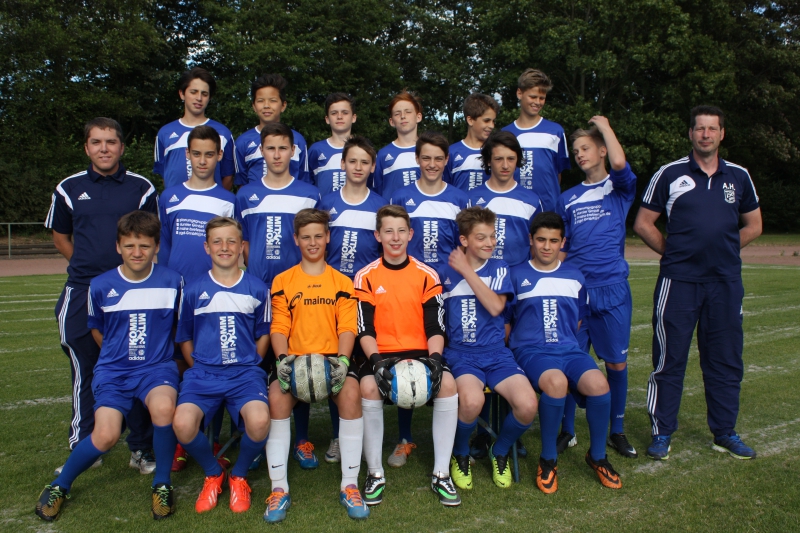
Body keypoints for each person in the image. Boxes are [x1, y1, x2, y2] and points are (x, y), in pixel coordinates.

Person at [633, 105, 762, 461]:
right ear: (690, 133)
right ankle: (662, 432)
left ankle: (725, 432)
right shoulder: (669, 173)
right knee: (669, 360)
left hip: (724, 283)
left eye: (712, 128)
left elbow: (754, 225)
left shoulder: (738, 176)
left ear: (722, 134)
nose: (706, 134)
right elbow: (643, 223)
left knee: (725, 359)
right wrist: (673, 252)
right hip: (679, 282)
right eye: (700, 128)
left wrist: (725, 249)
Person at [36, 211, 183, 522]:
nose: (137, 253)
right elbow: (97, 330)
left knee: (163, 410)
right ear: (118, 247)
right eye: (129, 246)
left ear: (156, 246)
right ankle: (60, 485)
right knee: (105, 435)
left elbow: (176, 327)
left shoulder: (173, 281)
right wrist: (121, 357)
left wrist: (154, 356)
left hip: (157, 368)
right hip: (114, 371)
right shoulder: (101, 285)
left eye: (145, 246)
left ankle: (162, 484)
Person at [45, 117, 159, 476]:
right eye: (96, 142)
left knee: (137, 366)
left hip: (131, 292)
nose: (104, 148)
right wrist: (91, 274)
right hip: (82, 290)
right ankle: (85, 444)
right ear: (86, 147)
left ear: (122, 147)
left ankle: (140, 447)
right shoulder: (69, 187)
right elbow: (61, 237)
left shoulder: (141, 188)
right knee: (86, 366)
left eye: (111, 142)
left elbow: (151, 239)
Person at [264, 208, 369, 523]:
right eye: (306, 237)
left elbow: (347, 327)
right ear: (296, 239)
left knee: (351, 394)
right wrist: (282, 360)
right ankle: (278, 488)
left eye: (318, 236)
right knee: (276, 398)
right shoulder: (283, 280)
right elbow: (279, 327)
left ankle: (349, 484)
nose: (313, 242)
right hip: (294, 360)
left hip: (332, 359)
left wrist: (344, 361)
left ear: (328, 237)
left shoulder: (342, 281)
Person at [354, 204, 461, 507]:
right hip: (381, 353)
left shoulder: (426, 274)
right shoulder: (365, 276)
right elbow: (364, 329)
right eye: (388, 231)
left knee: (449, 385)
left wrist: (436, 359)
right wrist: (376, 363)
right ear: (378, 235)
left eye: (401, 230)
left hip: (421, 352)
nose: (395, 237)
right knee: (368, 387)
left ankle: (441, 473)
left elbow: (435, 326)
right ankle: (375, 473)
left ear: (411, 234)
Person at [509, 212, 622, 493]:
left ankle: (597, 456)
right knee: (556, 382)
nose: (547, 246)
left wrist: (562, 342)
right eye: (541, 240)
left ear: (563, 242)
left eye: (553, 240)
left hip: (569, 349)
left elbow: (578, 320)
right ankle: (548, 458)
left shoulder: (575, 276)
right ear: (530, 240)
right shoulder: (516, 275)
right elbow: (507, 322)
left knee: (599, 384)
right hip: (531, 351)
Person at [235, 122, 321, 469]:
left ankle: (302, 439)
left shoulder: (309, 193)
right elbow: (243, 242)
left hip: (297, 293)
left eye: (283, 148)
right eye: (270, 148)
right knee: (256, 365)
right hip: (258, 293)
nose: (276, 154)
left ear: (293, 152)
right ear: (261, 152)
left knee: (298, 364)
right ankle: (255, 438)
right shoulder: (246, 194)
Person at [172, 217, 271, 514]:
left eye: (231, 241)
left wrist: (252, 362)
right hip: (203, 374)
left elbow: (263, 333)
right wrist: (199, 366)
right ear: (207, 247)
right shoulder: (193, 290)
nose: (224, 247)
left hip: (244, 373)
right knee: (182, 424)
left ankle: (238, 475)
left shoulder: (257, 288)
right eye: (217, 241)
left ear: (241, 247)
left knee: (259, 422)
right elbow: (185, 336)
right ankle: (214, 472)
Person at [556, 117, 638, 459]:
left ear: (602, 150)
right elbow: (561, 247)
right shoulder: (568, 198)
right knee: (568, 361)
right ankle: (568, 430)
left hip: (612, 289)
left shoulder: (619, 189)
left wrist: (605, 127)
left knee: (616, 364)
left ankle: (616, 431)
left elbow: (618, 162)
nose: (579, 155)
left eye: (586, 148)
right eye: (575, 150)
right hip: (577, 295)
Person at [440, 206, 538, 490]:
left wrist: (466, 270)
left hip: (496, 354)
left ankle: (500, 450)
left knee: (528, 405)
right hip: (461, 355)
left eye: (492, 236)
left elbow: (496, 306)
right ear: (464, 240)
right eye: (481, 237)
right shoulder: (444, 273)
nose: (490, 242)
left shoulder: (499, 267)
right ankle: (460, 453)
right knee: (472, 402)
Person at [158, 125, 237, 470]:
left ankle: (212, 435)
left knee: (213, 361)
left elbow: (233, 247)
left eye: (209, 154)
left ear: (219, 156)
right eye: (196, 154)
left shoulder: (228, 200)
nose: (203, 160)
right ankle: (182, 437)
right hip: (177, 294)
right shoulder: (169, 197)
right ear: (187, 155)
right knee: (179, 362)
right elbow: (164, 245)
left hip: (214, 295)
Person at [388, 131, 468, 466]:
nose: (432, 164)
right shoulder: (402, 196)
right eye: (426, 158)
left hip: (449, 288)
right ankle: (405, 439)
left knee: (450, 356)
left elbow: (464, 245)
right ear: (417, 160)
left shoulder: (459, 198)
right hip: (411, 289)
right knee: (410, 357)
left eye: (438, 158)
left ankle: (458, 441)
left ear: (446, 161)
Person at [466, 130, 543, 459]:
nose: (505, 164)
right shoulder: (473, 198)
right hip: (485, 290)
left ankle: (510, 432)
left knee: (510, 357)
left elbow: (538, 244)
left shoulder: (531, 199)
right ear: (488, 161)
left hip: (518, 290)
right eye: (498, 158)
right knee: (486, 353)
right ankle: (483, 433)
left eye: (511, 158)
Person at [318, 136, 387, 463]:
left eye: (365, 162)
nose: (358, 167)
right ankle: (337, 435)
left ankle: (372, 435)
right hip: (333, 297)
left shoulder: (380, 206)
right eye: (353, 161)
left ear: (372, 168)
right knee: (338, 365)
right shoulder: (327, 203)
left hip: (367, 298)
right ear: (343, 164)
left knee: (367, 364)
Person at [153, 67, 236, 190]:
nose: (199, 98)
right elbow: (165, 175)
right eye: (194, 92)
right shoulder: (164, 133)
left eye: (204, 94)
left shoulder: (223, 133)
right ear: (182, 94)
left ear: (209, 98)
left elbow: (228, 177)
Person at [502, 69, 570, 211]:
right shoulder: (505, 134)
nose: (537, 102)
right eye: (533, 97)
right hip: (515, 208)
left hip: (548, 210)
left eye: (542, 98)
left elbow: (557, 174)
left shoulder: (556, 131)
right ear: (519, 93)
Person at [234, 73, 310, 186]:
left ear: (283, 105)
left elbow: (304, 180)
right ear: (254, 106)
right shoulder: (242, 142)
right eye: (260, 100)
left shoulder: (297, 140)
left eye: (273, 100)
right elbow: (242, 184)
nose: (266, 105)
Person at [373, 90, 423, 199]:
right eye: (397, 113)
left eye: (408, 112)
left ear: (418, 117)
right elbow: (377, 192)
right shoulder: (383, 154)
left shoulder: (429, 150)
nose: (403, 116)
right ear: (391, 121)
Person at [444, 93, 499, 192]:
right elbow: (444, 189)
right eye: (486, 121)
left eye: (493, 121)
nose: (491, 126)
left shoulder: (496, 151)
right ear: (470, 120)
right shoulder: (451, 152)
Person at [308, 93, 358, 196]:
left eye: (345, 113)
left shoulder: (364, 149)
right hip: (324, 206)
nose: (339, 117)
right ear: (327, 119)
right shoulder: (316, 150)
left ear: (353, 118)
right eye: (334, 113)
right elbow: (307, 184)